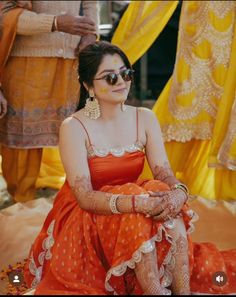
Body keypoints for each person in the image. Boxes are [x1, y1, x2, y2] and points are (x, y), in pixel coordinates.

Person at [23, 41, 236, 295]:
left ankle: (183, 290)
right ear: (88, 85)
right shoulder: (74, 126)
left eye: (126, 74)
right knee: (140, 200)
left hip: (133, 205)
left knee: (160, 191)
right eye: (111, 77)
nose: (122, 82)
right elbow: (85, 197)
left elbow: (163, 172)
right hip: (90, 213)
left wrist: (178, 192)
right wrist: (137, 203)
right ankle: (153, 290)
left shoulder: (144, 118)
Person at [0, 0, 99, 203]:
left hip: (71, 59)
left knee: (73, 135)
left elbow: (89, 3)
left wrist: (90, 34)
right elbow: (4, 14)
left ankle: (74, 204)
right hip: (26, 60)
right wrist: (54, 23)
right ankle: (20, 203)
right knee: (22, 141)